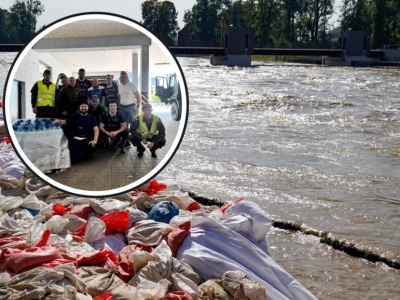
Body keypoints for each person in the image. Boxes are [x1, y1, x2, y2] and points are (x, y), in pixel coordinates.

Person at [118, 70, 141, 148]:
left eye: (125, 77)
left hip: (131, 107)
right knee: (125, 126)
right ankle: (127, 142)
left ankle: (138, 143)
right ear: (120, 78)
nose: (123, 78)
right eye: (122, 77)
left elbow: (138, 96)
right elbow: (119, 97)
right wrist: (118, 106)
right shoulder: (120, 86)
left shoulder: (132, 85)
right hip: (122, 108)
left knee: (134, 126)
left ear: (127, 78)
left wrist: (138, 107)